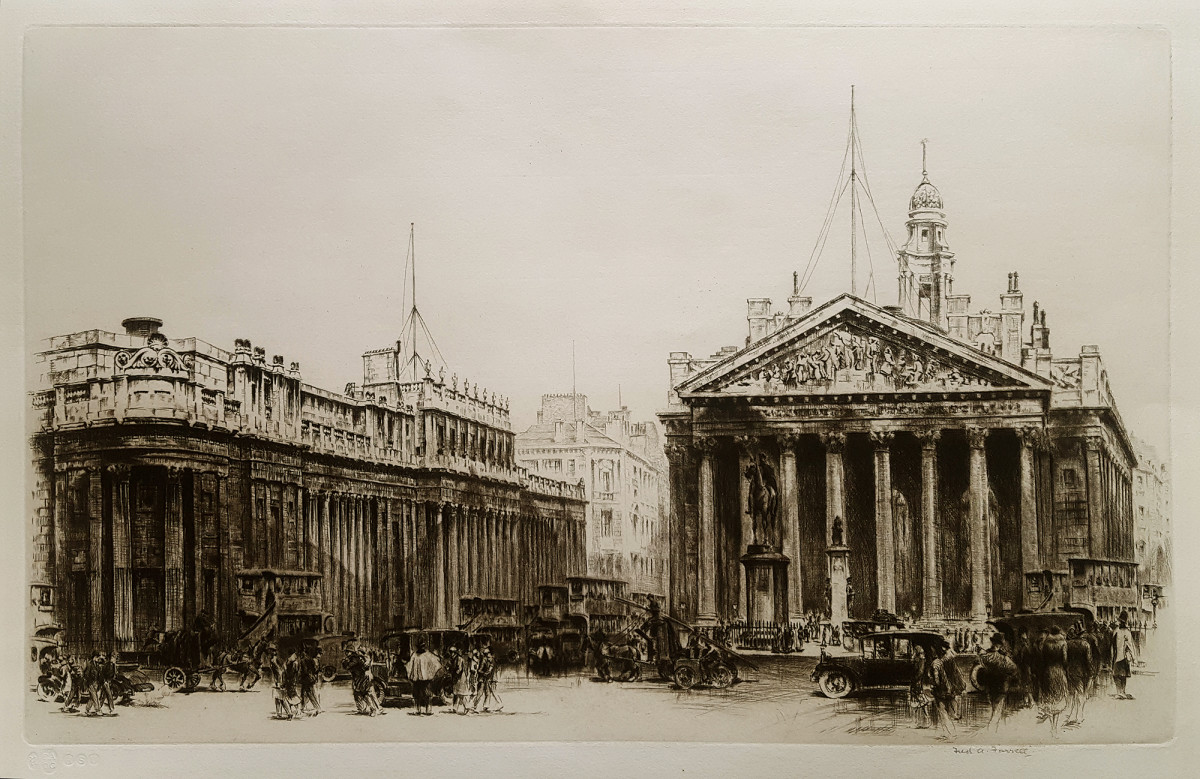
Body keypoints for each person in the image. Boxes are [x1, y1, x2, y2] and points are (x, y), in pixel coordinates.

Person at [974, 633, 1019, 732]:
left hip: (990, 686)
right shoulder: (1004, 658)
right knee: (997, 709)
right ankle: (993, 729)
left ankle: (995, 728)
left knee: (994, 708)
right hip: (1001, 687)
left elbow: (979, 662)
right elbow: (1014, 669)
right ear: (1000, 645)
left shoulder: (985, 656)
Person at [1038, 626, 1069, 737]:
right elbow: (1065, 660)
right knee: (1058, 699)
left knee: (1049, 699)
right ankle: (1054, 727)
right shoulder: (1063, 643)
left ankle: (1052, 727)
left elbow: (1042, 660)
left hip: (1048, 672)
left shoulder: (1046, 643)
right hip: (1059, 672)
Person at [1064, 624, 1094, 726]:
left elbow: (1065, 659)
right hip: (1082, 673)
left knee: (1072, 694)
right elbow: (1089, 661)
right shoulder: (1085, 645)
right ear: (1081, 633)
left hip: (1070, 672)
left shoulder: (1068, 644)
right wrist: (1091, 673)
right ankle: (1079, 716)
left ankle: (1070, 715)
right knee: (1081, 694)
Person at [406, 637, 442, 716]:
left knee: (427, 695)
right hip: (416, 679)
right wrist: (411, 676)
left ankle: (428, 710)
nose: (421, 648)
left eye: (422, 646)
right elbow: (410, 666)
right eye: (419, 646)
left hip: (426, 679)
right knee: (416, 695)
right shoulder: (414, 655)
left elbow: (437, 664)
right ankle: (417, 710)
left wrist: (430, 674)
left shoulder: (428, 655)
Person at [929, 642, 957, 739]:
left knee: (942, 711)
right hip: (950, 689)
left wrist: (934, 686)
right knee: (949, 712)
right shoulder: (949, 660)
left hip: (940, 691)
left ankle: (948, 733)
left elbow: (936, 679)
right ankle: (952, 732)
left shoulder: (936, 663)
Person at [1112, 611, 1138, 700]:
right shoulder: (1121, 631)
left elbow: (1130, 645)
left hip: (1122, 656)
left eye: (1120, 622)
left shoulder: (1123, 632)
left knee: (1119, 675)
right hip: (1118, 656)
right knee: (1119, 675)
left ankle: (1121, 692)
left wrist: (1134, 658)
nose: (1119, 623)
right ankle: (1120, 692)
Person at [470, 645, 502, 713]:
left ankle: (499, 704)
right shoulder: (484, 660)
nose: (486, 655)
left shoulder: (490, 660)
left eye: (487, 654)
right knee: (486, 693)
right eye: (484, 654)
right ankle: (484, 706)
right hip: (485, 679)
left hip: (490, 679)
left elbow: (489, 670)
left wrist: (483, 673)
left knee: (491, 692)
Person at [447, 645, 472, 714]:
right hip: (455, 677)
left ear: (455, 653)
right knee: (455, 693)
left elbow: (459, 669)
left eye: (453, 652)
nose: (452, 654)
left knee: (460, 693)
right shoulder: (452, 659)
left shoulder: (459, 659)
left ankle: (467, 707)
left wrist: (454, 674)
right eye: (451, 652)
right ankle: (455, 708)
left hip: (460, 678)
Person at [298, 646, 321, 716]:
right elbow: (314, 670)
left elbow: (305, 671)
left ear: (304, 652)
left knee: (309, 694)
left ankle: (317, 708)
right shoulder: (311, 659)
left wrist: (300, 675)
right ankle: (301, 708)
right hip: (310, 679)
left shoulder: (303, 660)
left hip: (306, 679)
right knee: (304, 694)